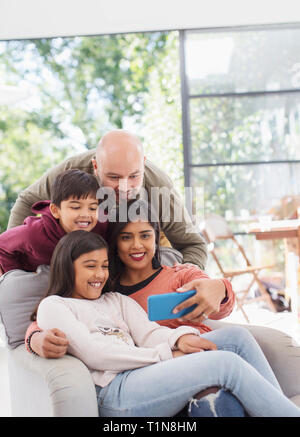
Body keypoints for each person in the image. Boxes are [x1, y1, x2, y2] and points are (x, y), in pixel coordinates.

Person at [33, 230, 300, 417]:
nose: (100, 274)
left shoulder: (115, 299)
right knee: (225, 365)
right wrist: (168, 356)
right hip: (115, 392)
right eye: (90, 266)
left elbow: (151, 333)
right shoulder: (54, 306)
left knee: (237, 339)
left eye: (104, 266)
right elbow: (96, 354)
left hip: (144, 375)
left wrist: (181, 339)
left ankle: (276, 407)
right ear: (67, 267)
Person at [7, 129, 207, 270]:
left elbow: (193, 245)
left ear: (143, 165)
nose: (124, 187)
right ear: (95, 166)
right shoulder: (72, 170)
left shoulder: (159, 186)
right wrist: (14, 270)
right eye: (113, 177)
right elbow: (27, 200)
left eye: (134, 176)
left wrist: (187, 277)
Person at [0, 169, 107, 276]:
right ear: (56, 210)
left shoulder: (100, 226)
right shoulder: (34, 233)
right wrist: (16, 275)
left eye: (92, 208)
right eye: (76, 207)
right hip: (36, 280)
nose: (86, 214)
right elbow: (2, 246)